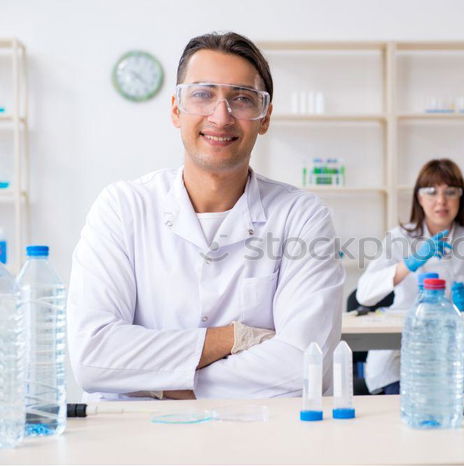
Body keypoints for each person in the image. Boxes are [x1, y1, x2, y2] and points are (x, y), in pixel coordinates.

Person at [67, 32, 344, 401]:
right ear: (176, 110)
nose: (221, 115)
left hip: (260, 441)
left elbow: (301, 367)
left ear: (264, 118)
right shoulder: (122, 208)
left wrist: (161, 384)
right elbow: (93, 357)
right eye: (202, 95)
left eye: (242, 99)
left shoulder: (301, 217)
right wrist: (231, 338)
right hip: (136, 439)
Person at [356, 158, 464, 394]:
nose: (441, 201)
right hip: (402, 359)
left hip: (459, 355)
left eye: (450, 192)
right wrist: (409, 263)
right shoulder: (399, 238)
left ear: (462, 197)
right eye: (431, 192)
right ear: (419, 198)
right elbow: (364, 295)